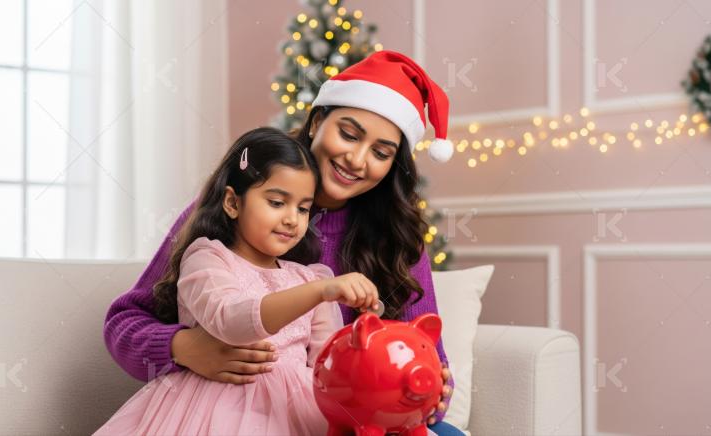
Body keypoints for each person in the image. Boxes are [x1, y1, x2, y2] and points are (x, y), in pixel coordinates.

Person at [103, 50, 463, 434]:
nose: (357, 160)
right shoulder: (232, 212)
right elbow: (124, 322)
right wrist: (184, 348)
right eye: (349, 134)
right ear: (318, 121)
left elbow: (428, 359)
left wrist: (430, 396)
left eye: (380, 153)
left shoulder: (398, 237)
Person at [96, 127, 382, 434]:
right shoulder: (207, 259)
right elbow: (231, 322)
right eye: (276, 202)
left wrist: (366, 339)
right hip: (214, 408)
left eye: (302, 208)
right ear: (233, 202)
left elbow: (329, 365)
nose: (292, 219)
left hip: (294, 413)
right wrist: (317, 292)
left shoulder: (308, 276)